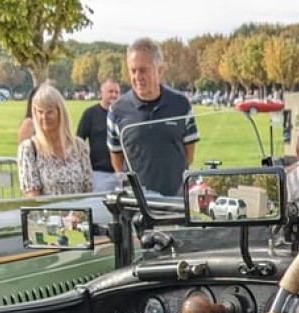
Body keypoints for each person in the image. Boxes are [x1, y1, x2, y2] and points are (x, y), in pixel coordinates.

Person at [106, 38, 197, 197]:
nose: (137, 76)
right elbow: (117, 159)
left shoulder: (181, 105)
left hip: (176, 201)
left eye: (143, 70)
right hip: (136, 204)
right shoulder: (117, 111)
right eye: (133, 71)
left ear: (160, 70)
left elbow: (189, 154)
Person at [17, 83, 93, 196]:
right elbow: (33, 199)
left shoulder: (79, 146)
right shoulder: (29, 149)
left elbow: (88, 190)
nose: (44, 117)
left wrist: (78, 214)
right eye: (40, 112)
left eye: (50, 112)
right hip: (48, 213)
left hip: (79, 212)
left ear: (60, 113)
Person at [76, 78, 122, 191]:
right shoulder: (90, 114)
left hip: (123, 173)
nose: (114, 95)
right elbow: (78, 141)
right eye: (110, 92)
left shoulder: (124, 115)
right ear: (102, 93)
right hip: (99, 174)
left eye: (117, 92)